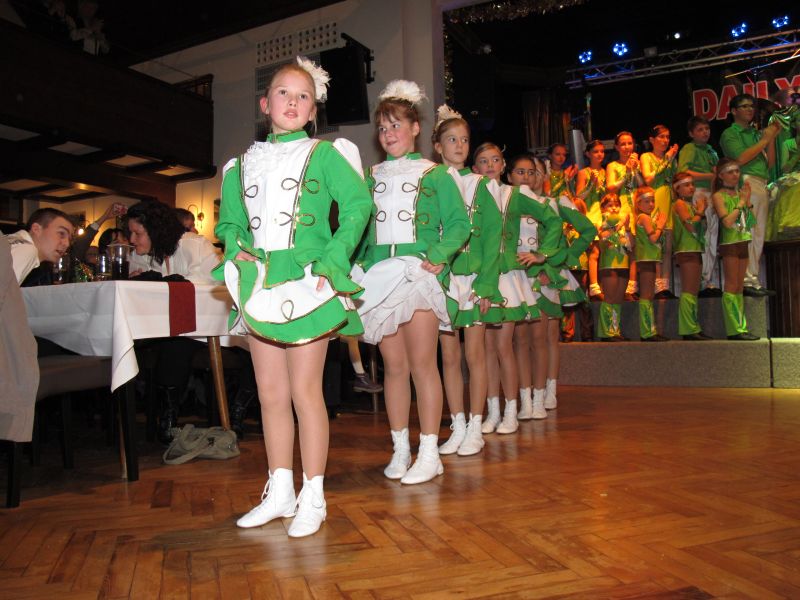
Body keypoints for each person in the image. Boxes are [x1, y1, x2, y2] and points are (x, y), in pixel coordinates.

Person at [215, 57, 371, 536]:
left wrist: (334, 259)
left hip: (309, 281)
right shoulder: (239, 165)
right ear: (265, 104)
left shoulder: (325, 155)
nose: (292, 101)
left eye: (304, 96)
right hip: (262, 282)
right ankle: (280, 490)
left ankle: (314, 496)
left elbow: (359, 204)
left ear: (313, 111)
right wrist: (236, 247)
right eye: (283, 92)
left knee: (306, 391)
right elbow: (230, 223)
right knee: (270, 393)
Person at [354, 80, 469, 484]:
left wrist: (437, 255)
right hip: (381, 277)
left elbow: (459, 224)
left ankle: (429, 452)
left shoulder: (436, 175)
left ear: (415, 128)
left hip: (418, 273)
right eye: (383, 128)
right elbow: (360, 230)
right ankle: (400, 447)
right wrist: (358, 267)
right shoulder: (369, 177)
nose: (389, 134)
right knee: (394, 367)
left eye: (396, 125)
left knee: (423, 364)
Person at [473, 145, 561, 431]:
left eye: (495, 160)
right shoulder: (470, 194)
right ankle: (493, 412)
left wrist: (542, 254)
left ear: (503, 166)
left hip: (508, 276)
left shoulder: (515, 194)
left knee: (503, 346)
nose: (490, 165)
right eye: (483, 161)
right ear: (475, 168)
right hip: (480, 276)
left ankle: (512, 411)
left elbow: (552, 219)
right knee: (486, 348)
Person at [432, 105, 502, 456]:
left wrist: (487, 284)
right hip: (443, 281)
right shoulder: (431, 182)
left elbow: (492, 237)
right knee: (448, 356)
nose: (459, 146)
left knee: (475, 354)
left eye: (464, 140)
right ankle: (457, 425)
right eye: (452, 139)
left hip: (473, 280)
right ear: (437, 146)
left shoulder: (481, 185)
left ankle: (476, 425)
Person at [720, 93, 781, 296]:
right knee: (750, 231)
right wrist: (765, 139)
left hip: (761, 182)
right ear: (733, 111)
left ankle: (753, 278)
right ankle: (746, 279)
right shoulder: (730, 133)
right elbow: (740, 158)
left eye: (751, 106)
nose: (750, 109)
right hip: (745, 181)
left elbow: (770, 164)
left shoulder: (755, 134)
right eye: (744, 106)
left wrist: (770, 139)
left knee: (759, 233)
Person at [712, 158, 759, 340]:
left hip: (743, 242)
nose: (735, 175)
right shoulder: (718, 196)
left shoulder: (740, 194)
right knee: (731, 285)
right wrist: (740, 203)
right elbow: (727, 222)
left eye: (737, 171)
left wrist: (747, 200)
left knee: (739, 286)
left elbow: (752, 222)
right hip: (730, 244)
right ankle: (734, 330)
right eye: (730, 172)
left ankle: (741, 327)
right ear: (721, 175)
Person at [678, 116, 720, 296]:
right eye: (700, 130)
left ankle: (709, 278)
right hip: (697, 193)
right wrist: (709, 176)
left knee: (712, 237)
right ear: (691, 133)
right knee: (702, 235)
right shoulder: (689, 148)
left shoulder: (711, 151)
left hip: (712, 194)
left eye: (707, 129)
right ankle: (702, 279)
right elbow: (683, 172)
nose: (705, 132)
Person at [126, 201, 219, 282]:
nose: (131, 240)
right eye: (131, 233)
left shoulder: (197, 246)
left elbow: (214, 286)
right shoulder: (138, 256)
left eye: (137, 233)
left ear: (156, 231)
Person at [672, 172, 712, 340]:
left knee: (693, 291)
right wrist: (700, 212)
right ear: (677, 188)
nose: (691, 188)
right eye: (686, 185)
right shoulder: (680, 204)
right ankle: (688, 329)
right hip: (686, 249)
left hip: (694, 248)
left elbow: (701, 227)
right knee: (689, 290)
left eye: (692, 184)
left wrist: (701, 212)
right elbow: (690, 226)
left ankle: (693, 326)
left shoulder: (690, 204)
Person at [641, 124, 679, 298]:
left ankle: (664, 286)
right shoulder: (646, 157)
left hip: (668, 202)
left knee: (668, 248)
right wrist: (667, 159)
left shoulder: (672, 160)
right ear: (652, 139)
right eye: (661, 137)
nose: (665, 140)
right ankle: (656, 286)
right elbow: (648, 179)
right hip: (654, 201)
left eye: (667, 137)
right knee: (656, 245)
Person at [606, 131, 641, 301]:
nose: (627, 147)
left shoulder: (637, 164)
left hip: (637, 208)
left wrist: (636, 170)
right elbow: (611, 188)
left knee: (636, 250)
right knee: (624, 248)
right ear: (617, 147)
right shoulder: (612, 166)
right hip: (621, 209)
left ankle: (632, 287)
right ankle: (620, 288)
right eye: (623, 144)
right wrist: (626, 172)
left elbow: (643, 185)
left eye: (630, 143)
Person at [596, 193, 633, 341]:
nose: (614, 208)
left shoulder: (623, 226)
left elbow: (632, 245)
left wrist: (627, 227)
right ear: (602, 208)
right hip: (608, 265)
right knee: (610, 299)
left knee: (618, 300)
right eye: (610, 205)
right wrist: (618, 224)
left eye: (617, 205)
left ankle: (615, 330)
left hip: (623, 264)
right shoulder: (601, 223)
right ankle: (606, 333)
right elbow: (604, 239)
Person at [635, 188, 669, 342]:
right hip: (646, 259)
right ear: (638, 204)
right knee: (646, 295)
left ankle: (650, 330)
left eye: (652, 201)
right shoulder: (644, 217)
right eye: (647, 201)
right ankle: (647, 331)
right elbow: (653, 239)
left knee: (649, 295)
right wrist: (660, 225)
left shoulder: (646, 217)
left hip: (649, 259)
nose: (651, 204)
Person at [8, 207, 74, 285]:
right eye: (61, 233)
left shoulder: (15, 244)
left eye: (70, 239)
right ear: (36, 229)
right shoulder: (25, 249)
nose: (67, 244)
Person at [575, 139, 606, 301]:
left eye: (602, 151)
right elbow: (579, 197)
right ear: (588, 154)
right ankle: (593, 287)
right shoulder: (584, 172)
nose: (600, 154)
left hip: (604, 215)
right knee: (594, 252)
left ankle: (601, 285)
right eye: (595, 151)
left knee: (603, 251)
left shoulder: (605, 172)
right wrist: (591, 184)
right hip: (590, 215)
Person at [767, 106, 800, 241]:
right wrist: (797, 155)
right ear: (794, 124)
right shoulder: (788, 144)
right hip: (792, 177)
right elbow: (784, 169)